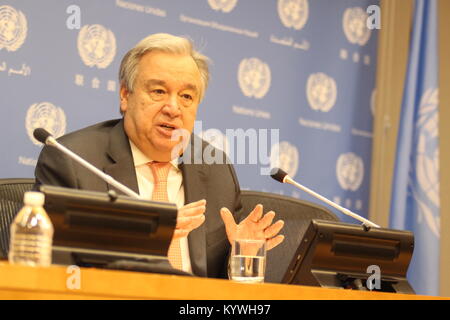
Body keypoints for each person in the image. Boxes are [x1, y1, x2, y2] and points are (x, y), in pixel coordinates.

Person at [34, 33, 284, 278]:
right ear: (125, 95)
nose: (173, 108)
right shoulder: (74, 161)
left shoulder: (215, 168)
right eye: (158, 91)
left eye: (186, 96)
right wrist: (149, 240)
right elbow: (52, 269)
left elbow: (217, 279)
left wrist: (242, 258)